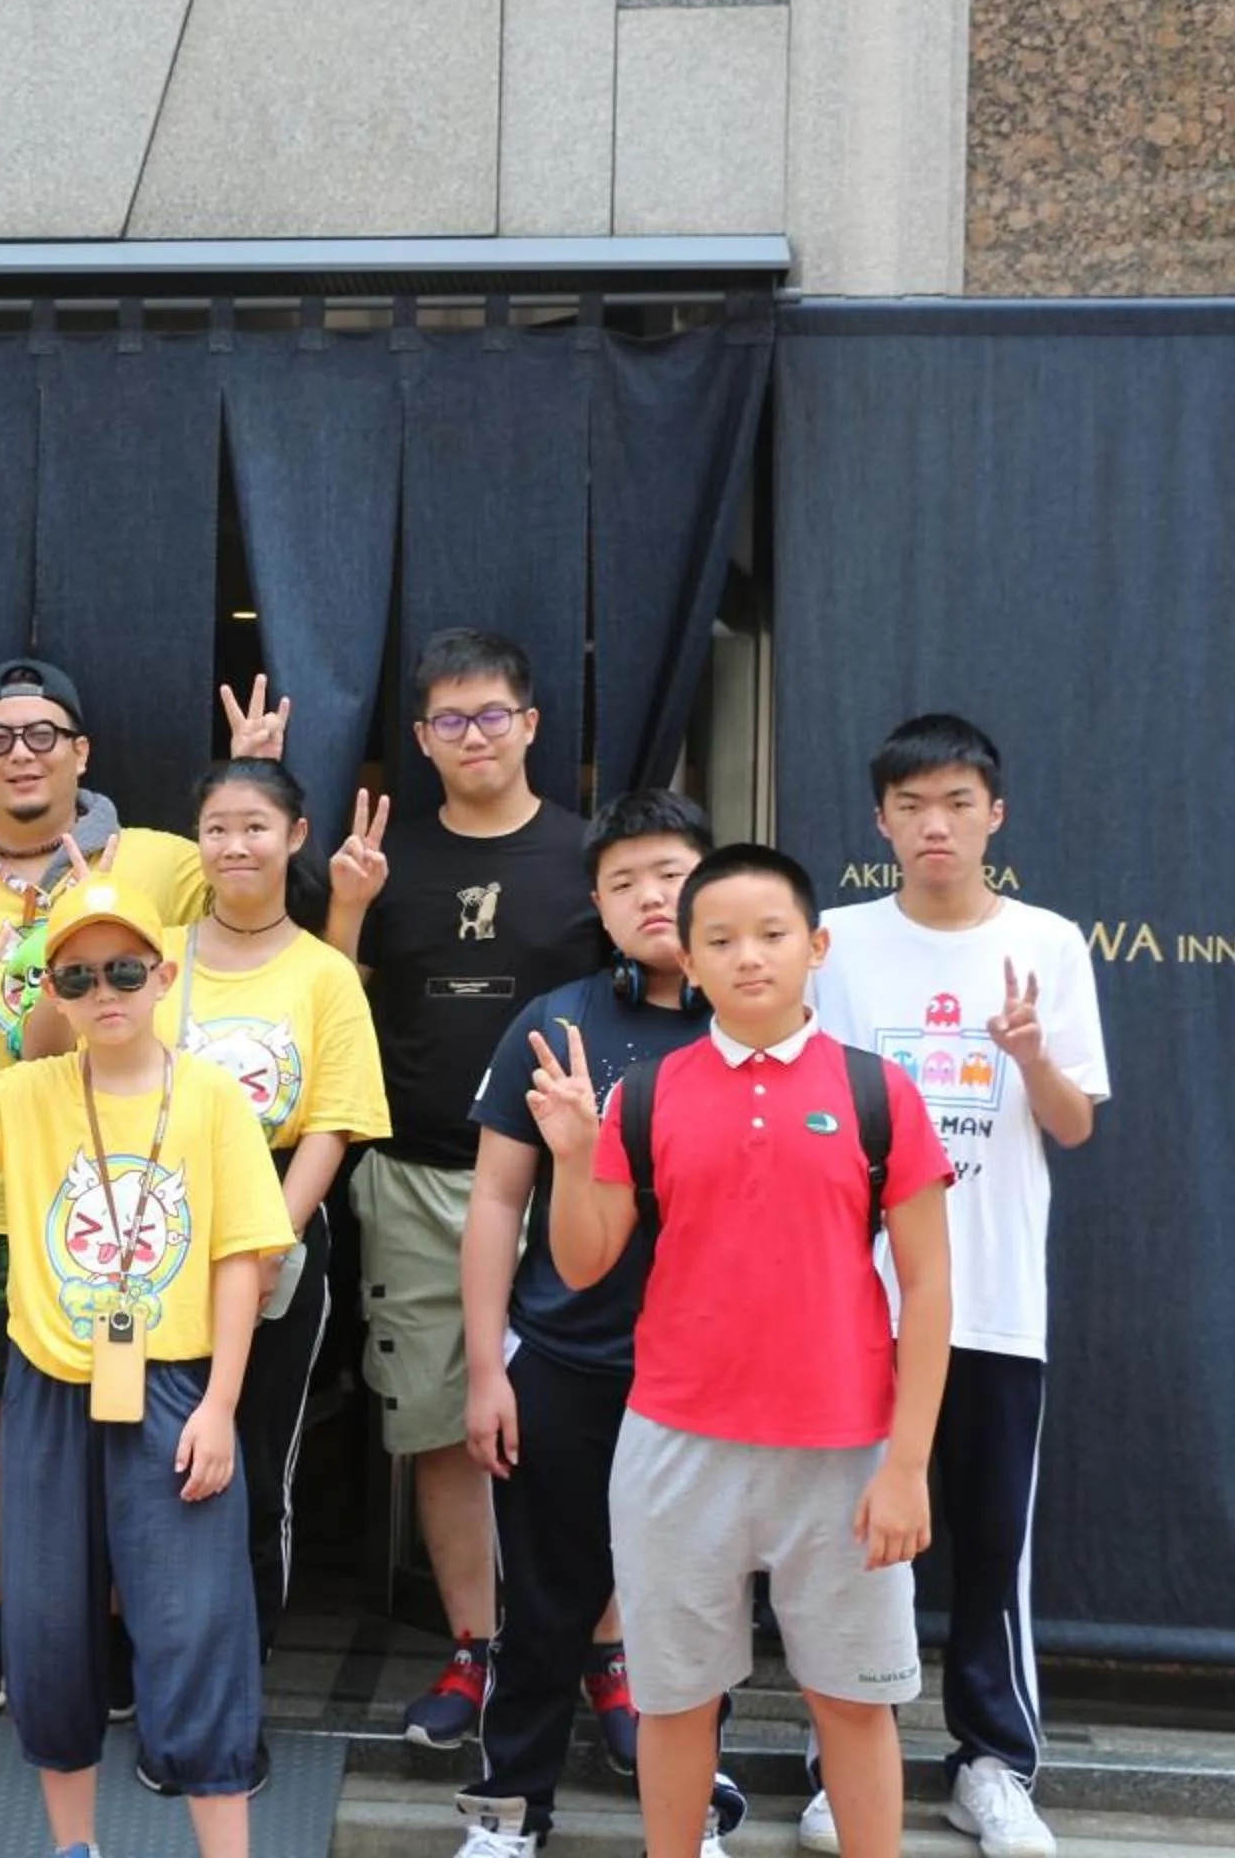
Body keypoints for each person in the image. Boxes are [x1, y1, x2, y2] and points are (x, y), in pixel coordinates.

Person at [534, 844, 955, 1858]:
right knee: (677, 1699)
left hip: (847, 1445)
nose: (748, 956)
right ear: (690, 953)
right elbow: (585, 1262)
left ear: (816, 946)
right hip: (677, 1439)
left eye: (772, 934)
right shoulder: (649, 1092)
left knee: (853, 1701)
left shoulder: (877, 1090)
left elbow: (932, 1286)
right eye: (719, 938)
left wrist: (905, 1465)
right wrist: (572, 1153)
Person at [0, 877, 291, 1858]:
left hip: (175, 1383)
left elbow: (244, 1255)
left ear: (162, 975)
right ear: (55, 994)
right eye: (78, 974)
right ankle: (74, 1845)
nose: (103, 989)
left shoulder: (207, 1095)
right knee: (48, 1626)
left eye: (122, 968)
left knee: (197, 1622)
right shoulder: (32, 1091)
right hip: (49, 1384)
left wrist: (221, 1403)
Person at [800, 716, 1107, 1858]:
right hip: (855, 1304)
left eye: (959, 802)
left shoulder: (1049, 943)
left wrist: (1028, 1053)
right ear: (881, 821)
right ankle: (851, 1761)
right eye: (914, 805)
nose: (938, 824)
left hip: (990, 1301)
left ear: (996, 814)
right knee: (851, 1545)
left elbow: (1074, 1125)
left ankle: (993, 1762)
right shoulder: (832, 941)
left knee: (989, 1543)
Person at [0, 657, 213, 1717]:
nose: (22, 753)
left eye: (44, 734)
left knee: (124, 1417)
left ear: (82, 751)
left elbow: (258, 915)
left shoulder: (160, 860)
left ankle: (121, 1634)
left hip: (123, 1200)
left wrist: (260, 774)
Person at [451, 789, 745, 1858]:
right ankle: (507, 1813)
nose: (649, 895)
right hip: (567, 1359)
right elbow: (495, 1202)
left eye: (669, 871)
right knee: (543, 1606)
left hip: (713, 1372)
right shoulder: (556, 1021)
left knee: (698, 1610)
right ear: (598, 907)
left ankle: (693, 1816)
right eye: (623, 881)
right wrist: (488, 1367)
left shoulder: (764, 1023)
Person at [324, 630, 605, 1747]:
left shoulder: (592, 857)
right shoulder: (390, 858)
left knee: (595, 1420)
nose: (474, 735)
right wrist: (347, 907)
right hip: (419, 1170)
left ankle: (606, 1652)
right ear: (422, 739)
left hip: (571, 1179)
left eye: (493, 714)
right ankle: (474, 1648)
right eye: (450, 720)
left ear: (531, 724)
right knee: (441, 1423)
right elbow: (329, 1015)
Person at [162, 759, 387, 1673]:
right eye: (217, 827)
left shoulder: (326, 972)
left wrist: (265, 1247)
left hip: (281, 1221)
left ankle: (236, 1683)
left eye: (256, 826)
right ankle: (159, 1668)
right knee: (157, 1463)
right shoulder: (158, 954)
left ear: (296, 837)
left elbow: (332, 1125)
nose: (235, 845)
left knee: (254, 1467)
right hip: (160, 1224)